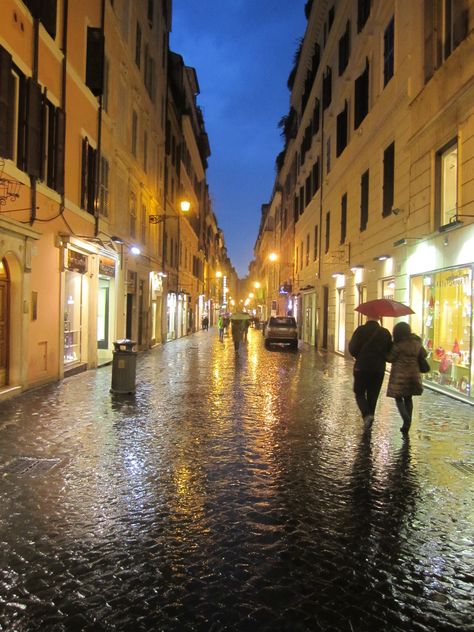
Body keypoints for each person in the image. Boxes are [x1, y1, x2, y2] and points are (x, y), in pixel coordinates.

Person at [348, 317, 392, 428]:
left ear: (367, 318)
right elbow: (390, 352)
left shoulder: (360, 330)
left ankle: (367, 415)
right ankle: (369, 420)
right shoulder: (385, 332)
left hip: (362, 367)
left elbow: (352, 349)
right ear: (378, 319)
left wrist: (360, 355)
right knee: (373, 395)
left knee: (359, 393)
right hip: (378, 369)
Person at [386, 322, 427, 434]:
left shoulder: (398, 345)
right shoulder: (416, 342)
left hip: (400, 376)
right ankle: (407, 424)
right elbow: (424, 353)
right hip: (413, 375)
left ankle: (406, 420)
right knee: (408, 398)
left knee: (398, 397)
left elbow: (390, 358)